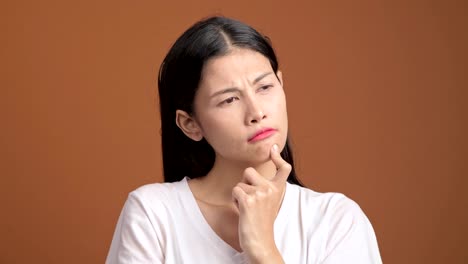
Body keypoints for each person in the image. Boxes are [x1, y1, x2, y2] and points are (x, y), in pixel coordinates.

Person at [106, 16, 382, 264]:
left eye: (265, 87)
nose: (257, 112)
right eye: (229, 99)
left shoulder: (336, 220)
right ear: (190, 124)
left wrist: (263, 250)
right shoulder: (153, 215)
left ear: (281, 84)